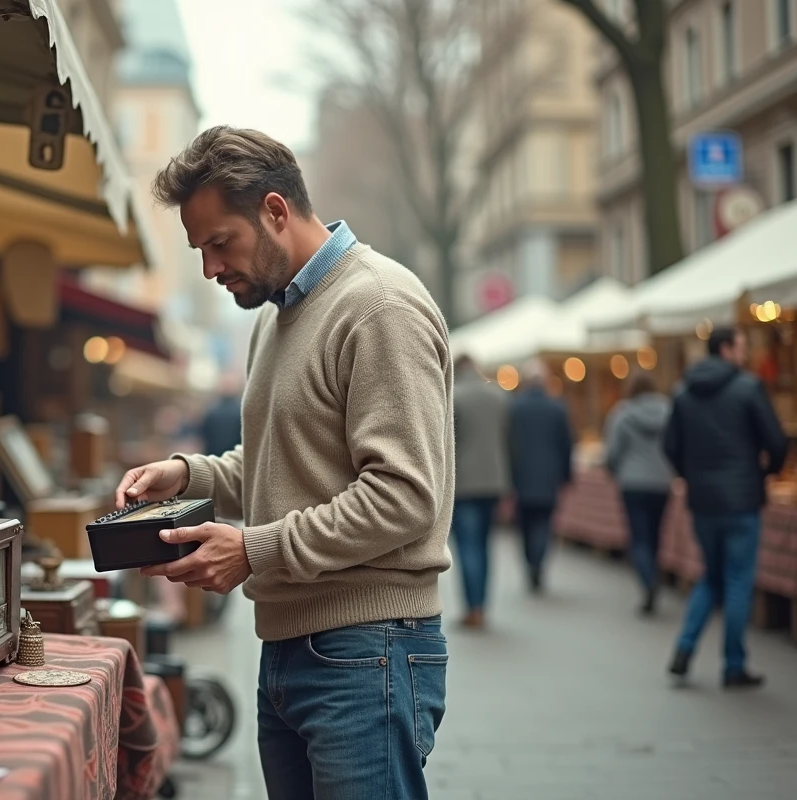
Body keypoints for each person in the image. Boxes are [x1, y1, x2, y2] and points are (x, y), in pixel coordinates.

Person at [113, 126, 453, 800]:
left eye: (220, 242)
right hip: (294, 650)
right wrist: (187, 475)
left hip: (367, 650)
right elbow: (278, 465)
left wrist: (253, 550)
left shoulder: (378, 305)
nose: (210, 268)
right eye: (199, 250)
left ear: (275, 211)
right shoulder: (274, 317)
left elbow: (404, 496)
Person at [664, 326, 787, 689]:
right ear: (727, 349)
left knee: (711, 576)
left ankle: (684, 649)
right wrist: (765, 473)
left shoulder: (684, 391)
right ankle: (733, 663)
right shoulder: (747, 387)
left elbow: (671, 446)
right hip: (742, 500)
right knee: (737, 580)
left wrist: (692, 475)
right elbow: (776, 441)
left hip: (703, 501)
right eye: (742, 346)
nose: (745, 353)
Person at [604, 371, 674, 616]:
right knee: (655, 535)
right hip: (661, 481)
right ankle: (653, 573)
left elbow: (613, 451)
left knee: (638, 536)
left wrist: (614, 470)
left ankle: (648, 581)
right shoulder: (669, 412)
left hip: (632, 482)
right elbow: (675, 444)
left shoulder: (622, 414)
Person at [451, 354, 510, 629]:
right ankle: (482, 605)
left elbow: (449, 444)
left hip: (464, 483)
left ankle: (473, 607)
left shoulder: (454, 396)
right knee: (485, 546)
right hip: (494, 482)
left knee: (467, 547)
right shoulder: (498, 396)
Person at [507, 359, 573, 593]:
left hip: (522, 475)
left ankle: (530, 562)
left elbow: (508, 444)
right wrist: (567, 475)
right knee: (544, 524)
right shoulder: (557, 408)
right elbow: (566, 445)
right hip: (548, 476)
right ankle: (538, 562)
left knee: (525, 525)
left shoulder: (515, 408)